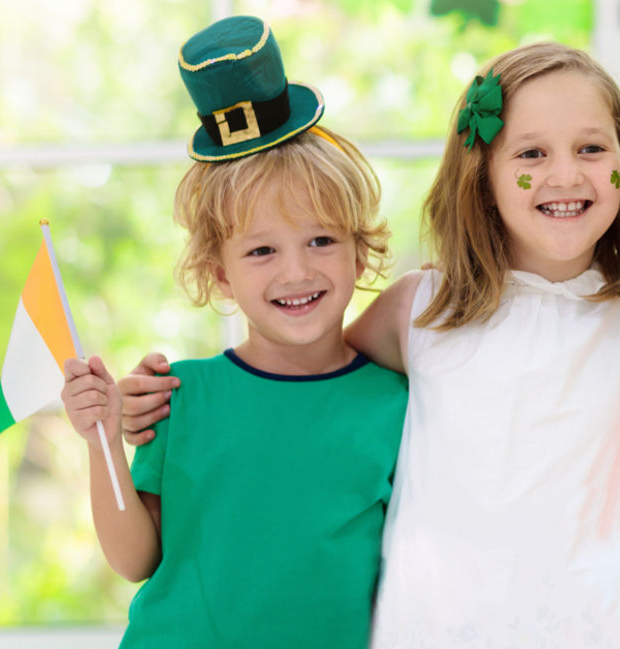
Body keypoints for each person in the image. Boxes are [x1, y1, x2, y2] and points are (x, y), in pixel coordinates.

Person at [119, 42, 620, 648]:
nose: (565, 175)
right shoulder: (421, 307)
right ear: (482, 172)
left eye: (591, 149)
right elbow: (301, 362)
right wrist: (172, 400)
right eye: (532, 153)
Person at [59, 16, 406, 648]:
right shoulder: (176, 396)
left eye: (322, 240)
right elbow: (135, 560)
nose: (296, 270)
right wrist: (103, 442)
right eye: (261, 251)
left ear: (361, 253)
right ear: (219, 273)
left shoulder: (398, 403)